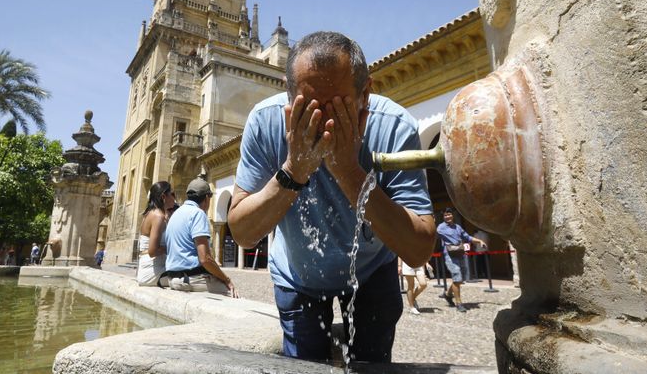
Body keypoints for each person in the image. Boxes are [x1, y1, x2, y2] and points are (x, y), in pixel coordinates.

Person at [229, 31, 436, 363]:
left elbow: (418, 250)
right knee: (303, 366)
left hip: (372, 272)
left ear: (364, 94)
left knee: (372, 363)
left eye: (338, 109)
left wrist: (349, 172)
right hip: (298, 275)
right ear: (288, 93)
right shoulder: (266, 123)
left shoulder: (394, 127)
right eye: (308, 108)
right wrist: (294, 171)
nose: (322, 124)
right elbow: (243, 232)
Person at [163, 178, 237, 297]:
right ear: (207, 198)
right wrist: (227, 279)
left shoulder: (176, 214)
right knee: (231, 294)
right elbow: (205, 259)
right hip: (191, 279)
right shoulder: (198, 213)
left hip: (172, 278)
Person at [437, 209, 487, 313]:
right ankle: (459, 303)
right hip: (450, 255)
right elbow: (432, 234)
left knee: (460, 279)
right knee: (457, 277)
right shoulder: (440, 227)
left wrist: (479, 241)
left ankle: (447, 294)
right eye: (445, 215)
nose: (448, 217)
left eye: (449, 214)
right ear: (443, 217)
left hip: (460, 253)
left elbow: (467, 237)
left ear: (452, 216)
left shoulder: (458, 227)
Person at [136, 181, 175, 286]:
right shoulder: (158, 216)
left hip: (151, 268)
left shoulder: (150, 213)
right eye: (172, 194)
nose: (174, 198)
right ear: (163, 196)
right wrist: (170, 248)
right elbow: (152, 251)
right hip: (152, 272)